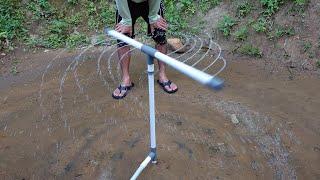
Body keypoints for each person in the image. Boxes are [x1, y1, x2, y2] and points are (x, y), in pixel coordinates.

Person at [112, 0, 178, 99]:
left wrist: (153, 17)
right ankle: (126, 79)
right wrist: (126, 21)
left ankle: (162, 75)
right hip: (126, 3)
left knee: (159, 33)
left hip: (151, 2)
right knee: (123, 37)